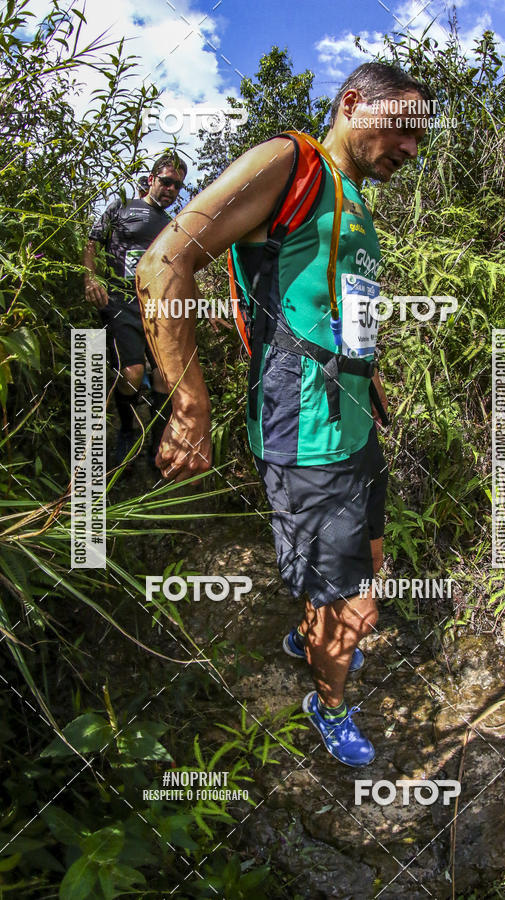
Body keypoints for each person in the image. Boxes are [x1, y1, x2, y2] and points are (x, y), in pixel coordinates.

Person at [136, 63, 431, 765]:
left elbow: (338, 313)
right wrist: (189, 404)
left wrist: (372, 383)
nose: (412, 151)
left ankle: (312, 633)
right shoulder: (289, 161)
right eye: (405, 130)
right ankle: (327, 705)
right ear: (354, 104)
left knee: (369, 565)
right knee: (355, 606)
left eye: (421, 141)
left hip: (356, 425)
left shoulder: (353, 199)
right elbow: (163, 264)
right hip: (305, 434)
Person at [83, 154, 187, 466]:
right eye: (166, 181)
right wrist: (91, 278)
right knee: (132, 373)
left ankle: (156, 446)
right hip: (119, 303)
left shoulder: (171, 225)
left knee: (164, 380)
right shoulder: (122, 206)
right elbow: (92, 242)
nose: (170, 189)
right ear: (152, 177)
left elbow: (179, 269)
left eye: (177, 186)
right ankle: (127, 432)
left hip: (156, 308)